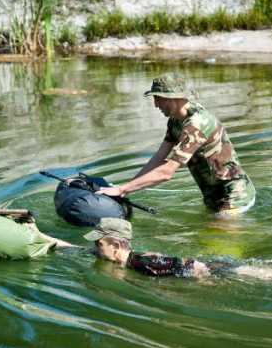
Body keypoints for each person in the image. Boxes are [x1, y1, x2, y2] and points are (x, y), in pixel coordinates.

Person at [98, 73, 256, 217]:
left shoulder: (197, 125)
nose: (155, 105)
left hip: (234, 195)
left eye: (158, 98)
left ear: (172, 98)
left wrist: (122, 189)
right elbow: (159, 158)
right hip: (212, 195)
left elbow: (167, 172)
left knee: (220, 243)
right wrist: (126, 188)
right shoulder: (175, 121)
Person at [83, 218, 210, 278]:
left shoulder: (143, 262)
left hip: (216, 271)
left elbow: (193, 265)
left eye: (98, 244)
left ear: (116, 246)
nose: (95, 248)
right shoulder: (123, 258)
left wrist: (205, 281)